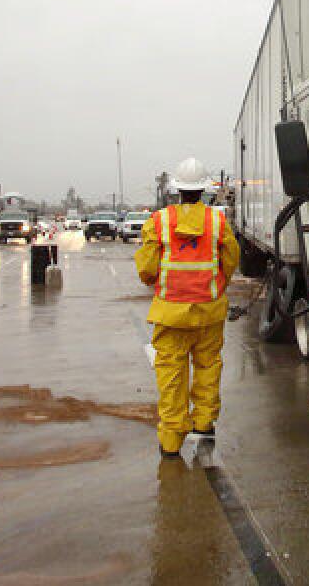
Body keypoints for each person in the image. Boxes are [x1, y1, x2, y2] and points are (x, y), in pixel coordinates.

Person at [134, 157, 239, 457]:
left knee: (171, 374)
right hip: (209, 310)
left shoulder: (159, 222)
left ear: (176, 190)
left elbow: (146, 269)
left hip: (170, 313)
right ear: (204, 190)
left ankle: (171, 439)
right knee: (207, 367)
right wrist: (215, 285)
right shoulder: (217, 222)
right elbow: (230, 260)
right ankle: (204, 424)